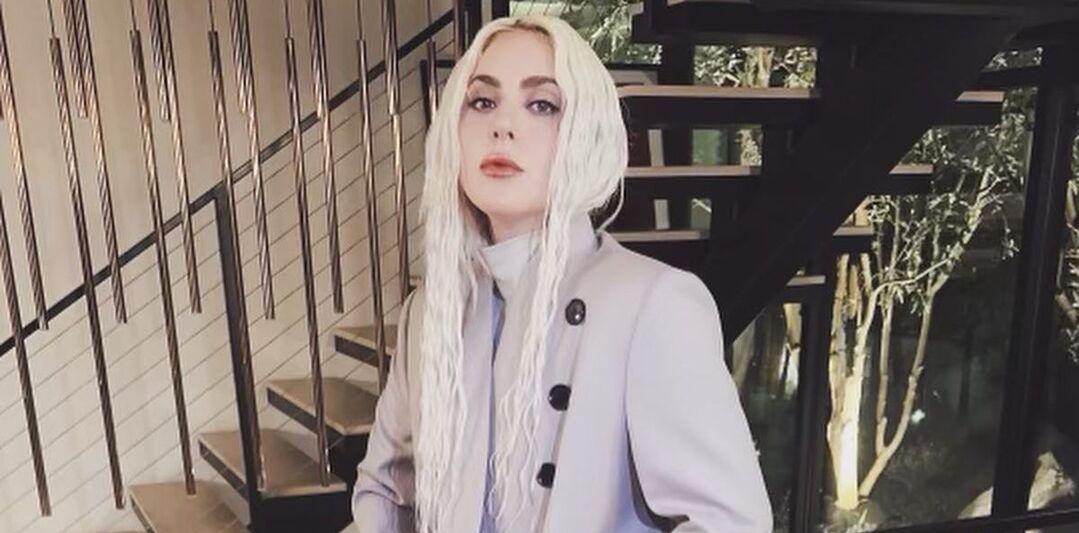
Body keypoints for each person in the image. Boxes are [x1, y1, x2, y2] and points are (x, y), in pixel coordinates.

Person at [352, 14, 772, 533]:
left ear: (586, 133)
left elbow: (730, 522)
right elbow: (383, 492)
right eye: (482, 101)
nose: (503, 126)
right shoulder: (431, 310)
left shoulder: (652, 302)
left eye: (542, 104)